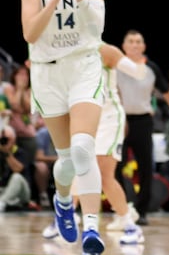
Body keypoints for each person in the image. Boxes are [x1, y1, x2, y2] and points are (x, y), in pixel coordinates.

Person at [20, 0, 107, 255]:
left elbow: (96, 27)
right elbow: (30, 33)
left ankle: (92, 228)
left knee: (85, 148)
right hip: (48, 74)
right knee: (68, 159)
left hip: (83, 67)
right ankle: (61, 201)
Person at [42, 41, 146, 244]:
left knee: (104, 174)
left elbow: (137, 73)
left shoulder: (105, 49)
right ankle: (67, 215)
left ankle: (129, 225)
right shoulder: (67, 47)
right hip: (84, 115)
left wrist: (136, 60)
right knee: (77, 165)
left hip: (108, 118)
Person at [115, 29, 169, 226]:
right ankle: (122, 208)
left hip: (142, 121)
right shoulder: (114, 65)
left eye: (138, 41)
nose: (134, 44)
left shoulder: (151, 68)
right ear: (124, 46)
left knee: (145, 166)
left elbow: (167, 93)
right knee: (115, 166)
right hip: (119, 120)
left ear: (144, 46)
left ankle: (142, 211)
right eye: (130, 41)